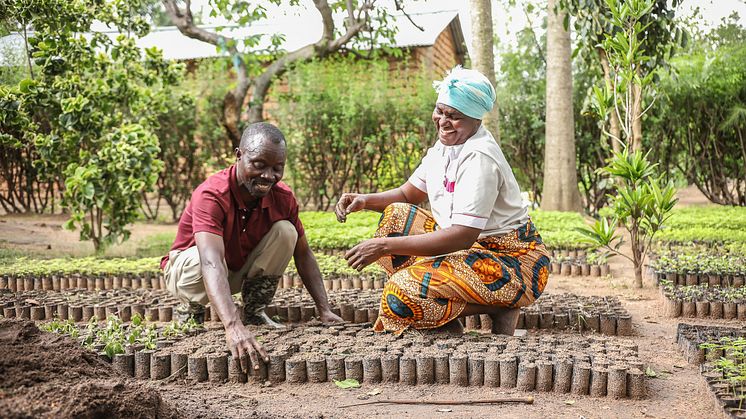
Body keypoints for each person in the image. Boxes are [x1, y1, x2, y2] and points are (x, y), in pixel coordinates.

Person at [334, 66, 551, 336]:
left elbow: (461, 236)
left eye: (454, 116)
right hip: (470, 253)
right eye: (440, 111)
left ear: (475, 120)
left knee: (400, 294)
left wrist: (383, 246)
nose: (443, 121)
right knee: (397, 216)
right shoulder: (445, 147)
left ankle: (499, 305)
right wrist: (364, 200)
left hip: (511, 265)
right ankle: (445, 311)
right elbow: (407, 194)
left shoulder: (479, 158)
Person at [162, 122, 342, 373]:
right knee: (201, 257)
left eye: (277, 168)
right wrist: (232, 326)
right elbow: (211, 261)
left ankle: (255, 311)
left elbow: (303, 254)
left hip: (232, 269)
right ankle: (190, 308)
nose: (269, 175)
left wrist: (324, 309)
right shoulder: (212, 194)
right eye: (259, 165)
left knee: (286, 231)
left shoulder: (283, 197)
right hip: (189, 273)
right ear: (239, 155)